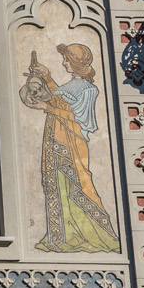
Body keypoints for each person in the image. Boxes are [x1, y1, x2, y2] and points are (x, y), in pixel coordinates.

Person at [19, 42, 119, 252]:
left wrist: (48, 107)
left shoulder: (89, 90)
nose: (64, 63)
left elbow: (77, 119)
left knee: (79, 186)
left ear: (76, 62)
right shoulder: (71, 86)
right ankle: (60, 236)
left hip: (71, 144)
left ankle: (98, 234)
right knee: (56, 187)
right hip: (55, 140)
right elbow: (59, 100)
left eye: (67, 59)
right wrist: (46, 76)